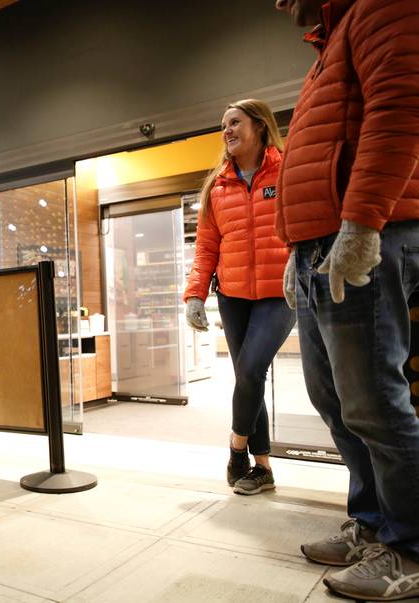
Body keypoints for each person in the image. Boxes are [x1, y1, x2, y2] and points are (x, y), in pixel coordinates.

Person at [274, 0, 419, 600]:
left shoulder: (381, 5)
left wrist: (362, 224)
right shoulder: (329, 41)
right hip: (319, 245)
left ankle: (410, 549)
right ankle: (372, 522)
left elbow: (402, 107)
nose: (278, 2)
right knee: (333, 400)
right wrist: (294, 246)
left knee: (375, 405)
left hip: (361, 235)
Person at [184, 99, 294, 495]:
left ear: (259, 126)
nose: (227, 131)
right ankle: (262, 468)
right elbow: (206, 246)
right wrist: (195, 294)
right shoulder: (218, 184)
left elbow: (302, 224)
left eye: (234, 122)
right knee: (249, 378)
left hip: (279, 293)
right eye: (223, 126)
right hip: (232, 296)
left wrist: (302, 265)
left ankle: (236, 450)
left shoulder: (287, 170)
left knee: (250, 371)